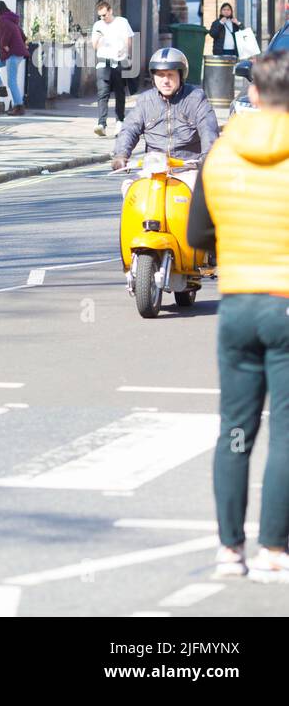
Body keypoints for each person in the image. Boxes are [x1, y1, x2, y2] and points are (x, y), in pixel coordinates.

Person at [185, 48, 289, 582]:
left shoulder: (221, 155)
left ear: (251, 93)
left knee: (235, 431)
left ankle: (230, 550)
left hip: (239, 305)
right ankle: (275, 550)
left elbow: (197, 236)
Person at [111, 48, 219, 181]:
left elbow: (209, 130)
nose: (165, 80)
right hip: (154, 170)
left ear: (181, 75)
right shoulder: (145, 101)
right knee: (130, 189)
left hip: (187, 170)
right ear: (153, 77)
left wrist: (208, 158)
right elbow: (129, 129)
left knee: (194, 195)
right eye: (160, 75)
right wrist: (121, 154)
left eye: (170, 74)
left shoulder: (196, 98)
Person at [91, 0, 134, 137]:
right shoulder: (98, 25)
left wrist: (127, 53)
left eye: (104, 15)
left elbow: (129, 40)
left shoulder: (122, 22)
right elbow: (94, 46)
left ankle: (120, 121)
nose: (103, 18)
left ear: (110, 11)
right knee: (102, 93)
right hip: (103, 62)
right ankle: (101, 124)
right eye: (100, 16)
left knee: (119, 93)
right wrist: (98, 39)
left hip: (119, 61)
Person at [0, 1, 29, 117]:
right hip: (12, 54)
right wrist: (23, 43)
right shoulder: (11, 19)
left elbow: (6, 33)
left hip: (12, 54)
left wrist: (4, 44)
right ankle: (2, 88)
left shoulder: (2, 19)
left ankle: (19, 106)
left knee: (12, 81)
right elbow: (23, 35)